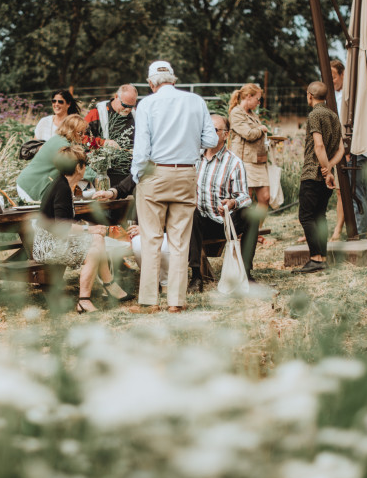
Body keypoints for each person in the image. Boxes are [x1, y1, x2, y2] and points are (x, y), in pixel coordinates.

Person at [131, 60, 217, 313]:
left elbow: (141, 147)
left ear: (150, 83)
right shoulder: (196, 101)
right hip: (186, 173)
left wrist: (138, 176)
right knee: (180, 240)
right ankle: (176, 302)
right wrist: (190, 143)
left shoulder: (146, 104)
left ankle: (149, 301)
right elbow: (211, 139)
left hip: (155, 173)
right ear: (174, 79)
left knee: (151, 238)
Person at [34, 145, 129, 313]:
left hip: (53, 238)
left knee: (97, 238)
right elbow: (62, 225)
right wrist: (89, 230)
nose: (86, 168)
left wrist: (91, 229)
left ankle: (106, 287)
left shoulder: (63, 183)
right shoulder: (62, 188)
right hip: (47, 245)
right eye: (85, 164)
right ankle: (87, 298)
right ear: (78, 167)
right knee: (93, 247)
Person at [187, 114, 255, 291]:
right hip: (200, 222)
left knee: (251, 213)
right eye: (206, 129)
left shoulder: (234, 162)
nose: (208, 133)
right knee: (190, 213)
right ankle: (196, 277)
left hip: (225, 222)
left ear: (226, 135)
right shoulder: (193, 158)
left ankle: (246, 272)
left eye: (214, 129)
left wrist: (233, 202)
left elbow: (245, 196)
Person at [295, 81, 345, 274]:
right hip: (325, 173)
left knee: (306, 216)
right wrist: (330, 167)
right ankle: (322, 257)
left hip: (312, 173)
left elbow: (319, 145)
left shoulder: (315, 115)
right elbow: (341, 148)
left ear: (309, 95)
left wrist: (325, 169)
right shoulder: (333, 115)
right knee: (320, 216)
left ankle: (315, 258)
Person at [329, 59, 367, 240]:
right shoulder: (334, 96)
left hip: (356, 149)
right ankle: (356, 230)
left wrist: (347, 150)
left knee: (356, 192)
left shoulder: (351, 96)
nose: (332, 81)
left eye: (334, 77)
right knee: (353, 190)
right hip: (344, 151)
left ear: (343, 74)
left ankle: (359, 232)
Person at [16, 114, 87, 202]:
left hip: (26, 182)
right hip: (31, 186)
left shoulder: (57, 139)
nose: (83, 136)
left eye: (84, 132)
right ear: (71, 130)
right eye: (80, 132)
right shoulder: (63, 145)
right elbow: (78, 169)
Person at [226, 83, 270, 209]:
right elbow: (249, 134)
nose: (259, 103)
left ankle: (256, 228)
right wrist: (261, 129)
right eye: (258, 99)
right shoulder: (236, 113)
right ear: (249, 97)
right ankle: (244, 228)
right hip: (245, 161)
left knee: (265, 198)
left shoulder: (252, 114)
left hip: (258, 160)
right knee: (246, 199)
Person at [84, 84, 137, 184]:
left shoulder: (135, 116)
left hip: (130, 175)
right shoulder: (97, 113)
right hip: (105, 174)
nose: (128, 110)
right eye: (125, 105)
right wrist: (103, 142)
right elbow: (80, 137)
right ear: (116, 96)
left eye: (131, 106)